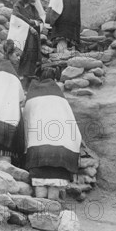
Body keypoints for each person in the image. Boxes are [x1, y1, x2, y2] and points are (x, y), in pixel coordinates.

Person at [23, 67, 82, 200]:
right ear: (54, 80)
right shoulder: (59, 96)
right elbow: (70, 124)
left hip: (37, 153)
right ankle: (52, 214)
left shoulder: (32, 95)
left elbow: (25, 121)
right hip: (59, 154)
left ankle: (40, 215)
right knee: (54, 188)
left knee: (40, 187)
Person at [7, 0, 43, 89]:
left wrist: (34, 23)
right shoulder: (17, 6)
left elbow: (40, 21)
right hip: (20, 37)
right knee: (19, 57)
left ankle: (28, 80)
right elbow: (16, 18)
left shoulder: (33, 9)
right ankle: (19, 81)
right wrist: (29, 25)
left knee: (31, 56)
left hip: (32, 38)